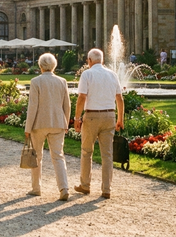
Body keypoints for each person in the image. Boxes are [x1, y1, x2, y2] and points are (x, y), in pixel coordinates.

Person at [73, 48, 125, 199]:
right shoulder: (112, 74)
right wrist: (120, 118)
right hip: (109, 115)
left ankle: (85, 185)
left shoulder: (87, 74)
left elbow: (82, 97)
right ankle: (106, 189)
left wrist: (77, 119)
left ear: (89, 61)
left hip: (92, 115)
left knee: (86, 151)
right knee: (107, 154)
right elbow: (120, 99)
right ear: (102, 60)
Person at [24, 53, 71, 201]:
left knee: (36, 156)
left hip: (39, 123)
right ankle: (64, 188)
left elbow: (33, 106)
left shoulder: (36, 81)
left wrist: (27, 127)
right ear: (54, 65)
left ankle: (36, 188)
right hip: (58, 123)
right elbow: (67, 105)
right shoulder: (62, 81)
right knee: (58, 156)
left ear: (40, 66)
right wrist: (66, 122)